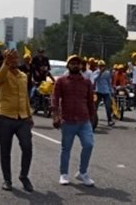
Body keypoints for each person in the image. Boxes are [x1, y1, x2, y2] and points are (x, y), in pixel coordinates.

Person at [52, 55, 95, 187]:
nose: (76, 65)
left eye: (78, 63)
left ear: (82, 66)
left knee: (89, 145)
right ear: (68, 65)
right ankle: (64, 174)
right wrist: (56, 116)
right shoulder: (61, 81)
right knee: (66, 148)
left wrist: (92, 118)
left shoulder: (87, 82)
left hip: (84, 120)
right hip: (68, 120)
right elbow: (55, 98)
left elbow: (90, 101)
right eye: (73, 63)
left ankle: (82, 173)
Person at [0, 49, 34, 192]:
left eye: (16, 58)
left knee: (27, 147)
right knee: (5, 150)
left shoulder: (23, 76)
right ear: (5, 59)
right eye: (11, 58)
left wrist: (29, 116)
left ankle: (24, 176)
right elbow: (0, 78)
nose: (14, 60)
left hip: (22, 118)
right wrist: (6, 63)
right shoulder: (1, 73)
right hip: (5, 117)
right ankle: (7, 180)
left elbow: (25, 97)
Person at [93, 60, 115, 127]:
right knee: (95, 107)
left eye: (102, 66)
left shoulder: (107, 73)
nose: (101, 67)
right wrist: (100, 73)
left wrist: (111, 90)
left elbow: (109, 82)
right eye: (100, 66)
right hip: (98, 91)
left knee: (108, 106)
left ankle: (109, 120)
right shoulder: (96, 72)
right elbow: (94, 79)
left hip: (106, 92)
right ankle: (93, 120)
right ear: (98, 66)